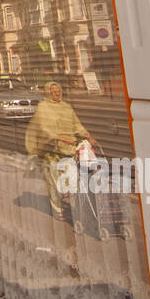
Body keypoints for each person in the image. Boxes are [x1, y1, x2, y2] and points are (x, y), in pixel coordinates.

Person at [25, 81, 93, 219]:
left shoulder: (66, 107)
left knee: (72, 180)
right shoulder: (43, 107)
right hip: (50, 151)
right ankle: (57, 210)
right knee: (54, 182)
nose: (57, 93)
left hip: (68, 150)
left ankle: (76, 209)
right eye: (54, 91)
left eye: (59, 91)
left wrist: (87, 135)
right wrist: (59, 137)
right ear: (48, 92)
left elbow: (76, 125)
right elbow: (43, 129)